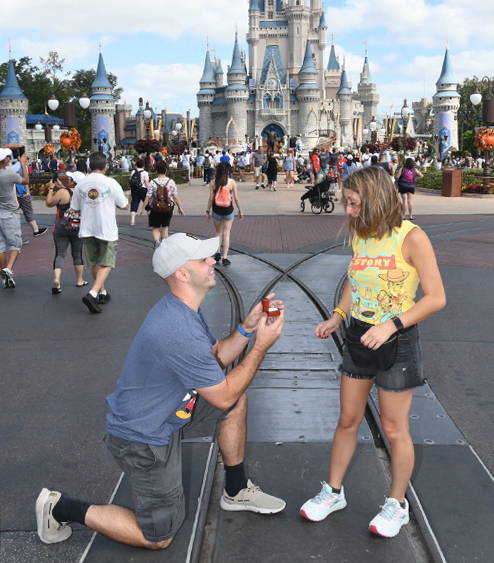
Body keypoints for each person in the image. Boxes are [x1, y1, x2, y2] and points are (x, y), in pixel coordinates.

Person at [35, 232, 286, 549]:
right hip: (142, 438)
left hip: (171, 412)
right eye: (203, 259)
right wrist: (261, 347)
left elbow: (215, 357)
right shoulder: (177, 328)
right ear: (182, 274)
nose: (212, 261)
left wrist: (246, 330)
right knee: (158, 537)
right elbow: (221, 393)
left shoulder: (183, 310)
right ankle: (59, 507)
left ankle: (235, 490)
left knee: (236, 403)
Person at [300, 165, 446, 538]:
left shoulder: (412, 237)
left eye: (353, 203)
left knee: (395, 428)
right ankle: (333, 492)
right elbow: (355, 279)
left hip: (396, 340)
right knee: (348, 419)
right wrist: (338, 315)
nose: (348, 211)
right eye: (346, 203)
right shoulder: (362, 235)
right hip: (359, 337)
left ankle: (396, 503)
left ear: (375, 200)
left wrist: (391, 325)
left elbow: (436, 298)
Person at [70, 152, 129, 314]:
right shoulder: (110, 182)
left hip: (87, 228)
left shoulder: (80, 184)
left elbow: (74, 208)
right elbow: (124, 205)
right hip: (106, 228)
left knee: (95, 262)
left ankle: (102, 292)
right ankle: (93, 293)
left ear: (90, 166)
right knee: (108, 263)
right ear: (105, 166)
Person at [45, 173, 86, 293]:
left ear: (72, 181)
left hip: (61, 226)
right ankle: (79, 280)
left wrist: (51, 189)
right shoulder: (83, 193)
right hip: (77, 227)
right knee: (77, 254)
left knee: (60, 254)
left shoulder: (62, 192)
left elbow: (49, 203)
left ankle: (57, 280)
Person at [0, 148, 29, 289]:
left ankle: (5, 278)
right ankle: (8, 269)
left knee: (1, 247)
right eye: (7, 156)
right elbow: (25, 180)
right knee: (15, 244)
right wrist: (23, 164)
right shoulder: (8, 174)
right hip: (9, 213)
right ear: (3, 160)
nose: (9, 158)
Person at [206, 162, 243, 266]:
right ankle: (225, 257)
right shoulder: (231, 182)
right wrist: (240, 210)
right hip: (228, 210)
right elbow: (236, 198)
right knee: (226, 233)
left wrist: (207, 210)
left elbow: (211, 198)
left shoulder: (213, 182)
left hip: (216, 210)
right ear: (227, 171)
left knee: (217, 232)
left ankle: (217, 253)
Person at [141, 161, 185, 247]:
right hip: (168, 207)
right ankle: (164, 247)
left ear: (156, 170)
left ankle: (157, 242)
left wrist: (142, 208)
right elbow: (175, 196)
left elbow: (148, 197)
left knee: (155, 227)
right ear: (166, 170)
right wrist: (180, 207)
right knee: (165, 227)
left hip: (155, 208)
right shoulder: (171, 182)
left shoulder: (153, 182)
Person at [10, 149, 47, 238]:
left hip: (17, 193)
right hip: (21, 193)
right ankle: (35, 230)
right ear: (19, 157)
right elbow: (21, 181)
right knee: (28, 212)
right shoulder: (21, 166)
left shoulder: (11, 167)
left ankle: (33, 230)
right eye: (24, 156)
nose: (26, 157)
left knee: (13, 214)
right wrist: (26, 192)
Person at [129, 159, 149, 226]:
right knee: (147, 204)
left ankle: (132, 220)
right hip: (143, 190)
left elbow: (130, 181)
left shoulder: (132, 172)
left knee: (134, 203)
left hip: (134, 190)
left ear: (136, 165)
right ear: (143, 165)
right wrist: (149, 190)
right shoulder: (145, 173)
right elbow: (146, 183)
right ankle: (151, 220)